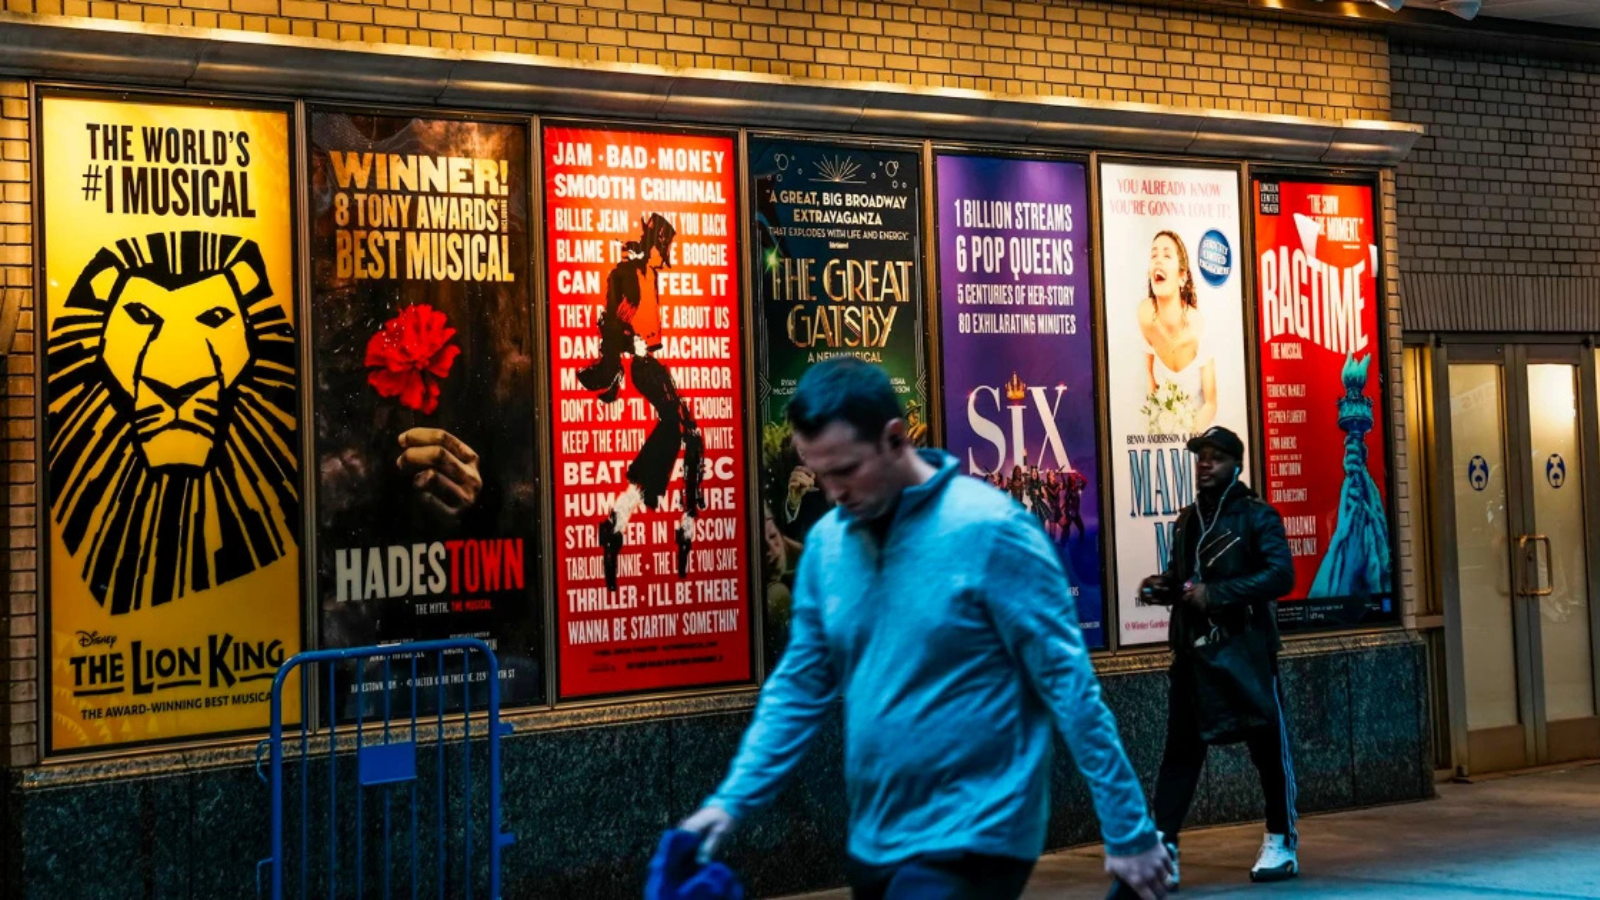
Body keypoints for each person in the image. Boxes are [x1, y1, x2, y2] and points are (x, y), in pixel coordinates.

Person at [678, 357, 1172, 900]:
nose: (833, 491)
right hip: (877, 837)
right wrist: (731, 801)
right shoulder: (827, 546)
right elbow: (798, 686)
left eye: (845, 469)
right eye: (819, 472)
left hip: (980, 830)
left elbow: (1069, 686)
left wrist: (1128, 831)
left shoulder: (991, 531)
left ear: (895, 439)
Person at [1138, 426, 1299, 890]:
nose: (1205, 464)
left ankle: (1280, 838)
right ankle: (1164, 847)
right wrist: (1163, 588)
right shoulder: (1188, 520)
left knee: (1267, 750)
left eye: (1217, 458)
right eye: (1201, 457)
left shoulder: (1257, 517)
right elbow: (1185, 580)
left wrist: (1218, 594)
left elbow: (1280, 576)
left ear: (1236, 466)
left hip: (1246, 653)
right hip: (1195, 656)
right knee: (1181, 753)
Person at [576, 213, 705, 590]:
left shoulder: (652, 277)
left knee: (689, 433)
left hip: (653, 360)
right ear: (654, 243)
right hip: (640, 366)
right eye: (664, 246)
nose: (667, 254)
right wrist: (625, 343)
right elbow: (611, 322)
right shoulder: (625, 274)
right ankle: (678, 518)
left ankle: (626, 514)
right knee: (680, 427)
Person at [1139, 231, 1217, 432]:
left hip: (1198, 438)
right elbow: (1148, 372)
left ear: (1182, 277)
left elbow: (1210, 403)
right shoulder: (1144, 315)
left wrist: (1187, 438)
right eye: (1153, 255)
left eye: (1166, 255)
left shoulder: (1199, 327)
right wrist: (1156, 425)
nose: (1158, 261)